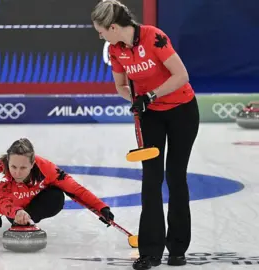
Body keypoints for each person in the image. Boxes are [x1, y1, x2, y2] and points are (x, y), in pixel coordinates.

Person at [91, 1, 200, 269]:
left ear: (114, 27)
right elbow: (120, 86)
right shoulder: (116, 50)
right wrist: (135, 99)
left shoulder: (154, 37)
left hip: (182, 111)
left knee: (175, 177)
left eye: (102, 31)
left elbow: (181, 75)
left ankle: (177, 248)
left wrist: (150, 95)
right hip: (150, 115)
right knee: (151, 180)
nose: (101, 36)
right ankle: (150, 252)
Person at [0, 138, 114, 229]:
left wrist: (101, 207)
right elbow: (1, 200)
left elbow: (75, 189)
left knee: (56, 197)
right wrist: (16, 212)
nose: (17, 173)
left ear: (33, 164)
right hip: (12, 209)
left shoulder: (46, 168)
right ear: (8, 161)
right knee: (10, 206)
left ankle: (27, 219)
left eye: (23, 168)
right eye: (13, 166)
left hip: (33, 205)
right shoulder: (0, 170)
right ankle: (20, 219)